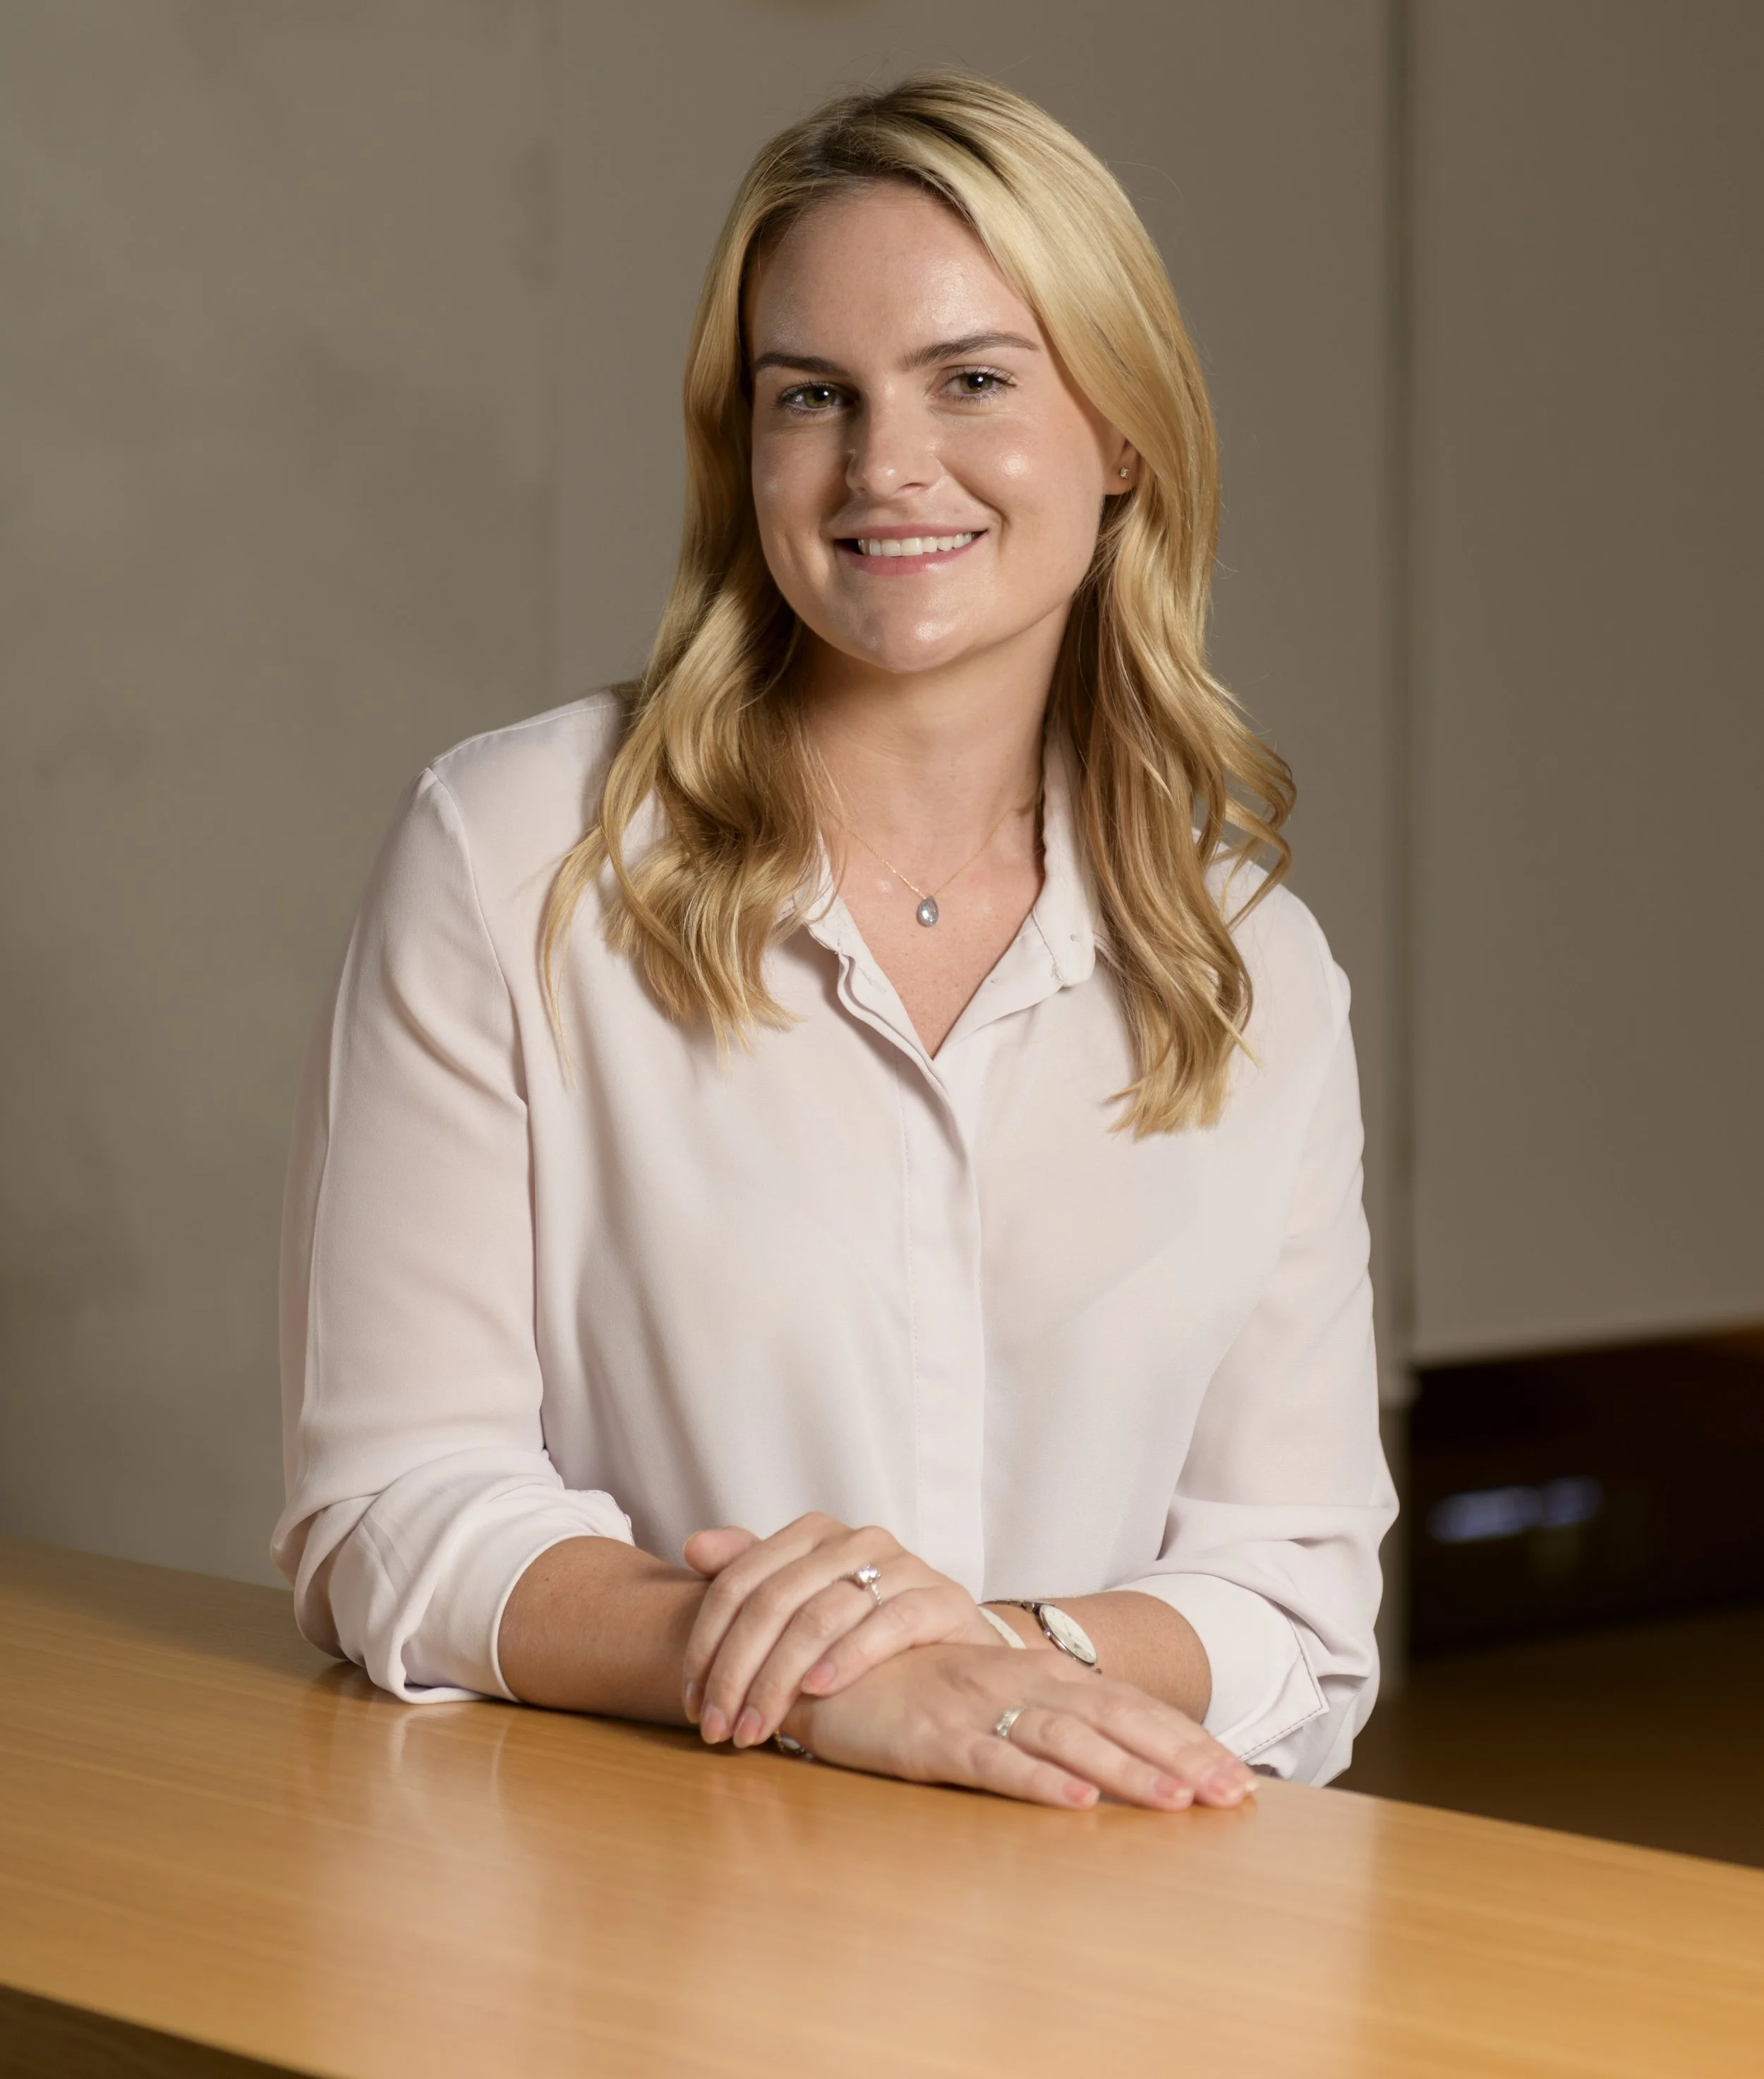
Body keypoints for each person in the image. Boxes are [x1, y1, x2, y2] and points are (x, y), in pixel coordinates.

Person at [273, 73, 1395, 1813]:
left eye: (970, 380)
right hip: (626, 1917)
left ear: (1116, 438)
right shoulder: (512, 854)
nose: (885, 466)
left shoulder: (1255, 970)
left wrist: (993, 1663)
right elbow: (395, 1509)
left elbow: (1296, 1605)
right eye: (814, 397)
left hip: (1104, 1947)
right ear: (748, 451)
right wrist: (819, 1683)